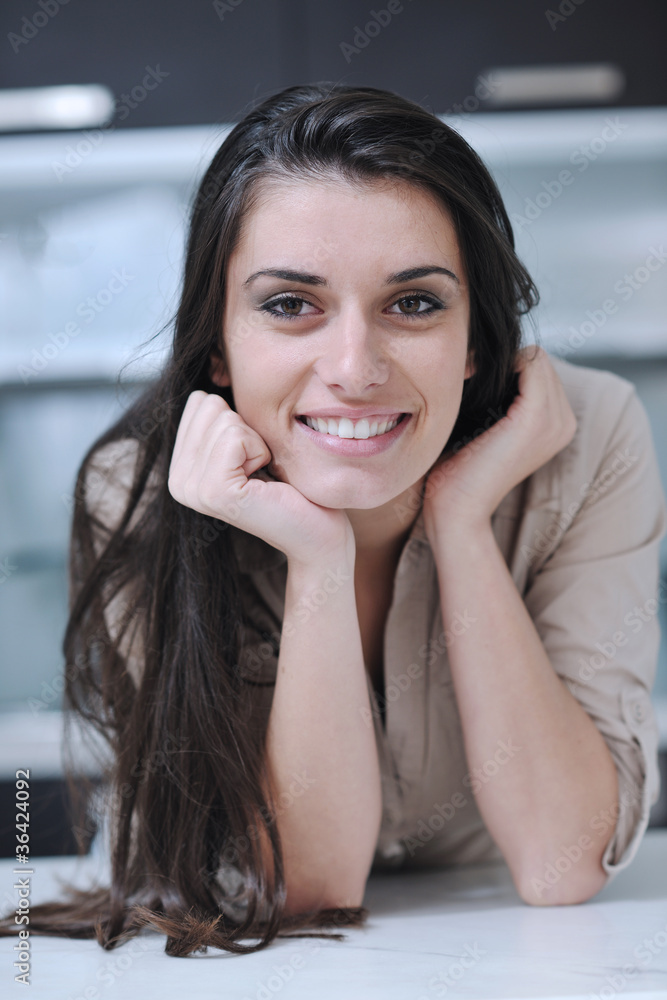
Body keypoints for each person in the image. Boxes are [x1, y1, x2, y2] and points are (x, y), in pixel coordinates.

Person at [3, 82, 665, 958]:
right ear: (217, 345)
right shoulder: (134, 494)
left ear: (475, 340)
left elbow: (559, 863)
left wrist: (462, 520)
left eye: (414, 302)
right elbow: (307, 889)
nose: (354, 368)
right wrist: (318, 555)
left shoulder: (587, 436)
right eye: (289, 305)